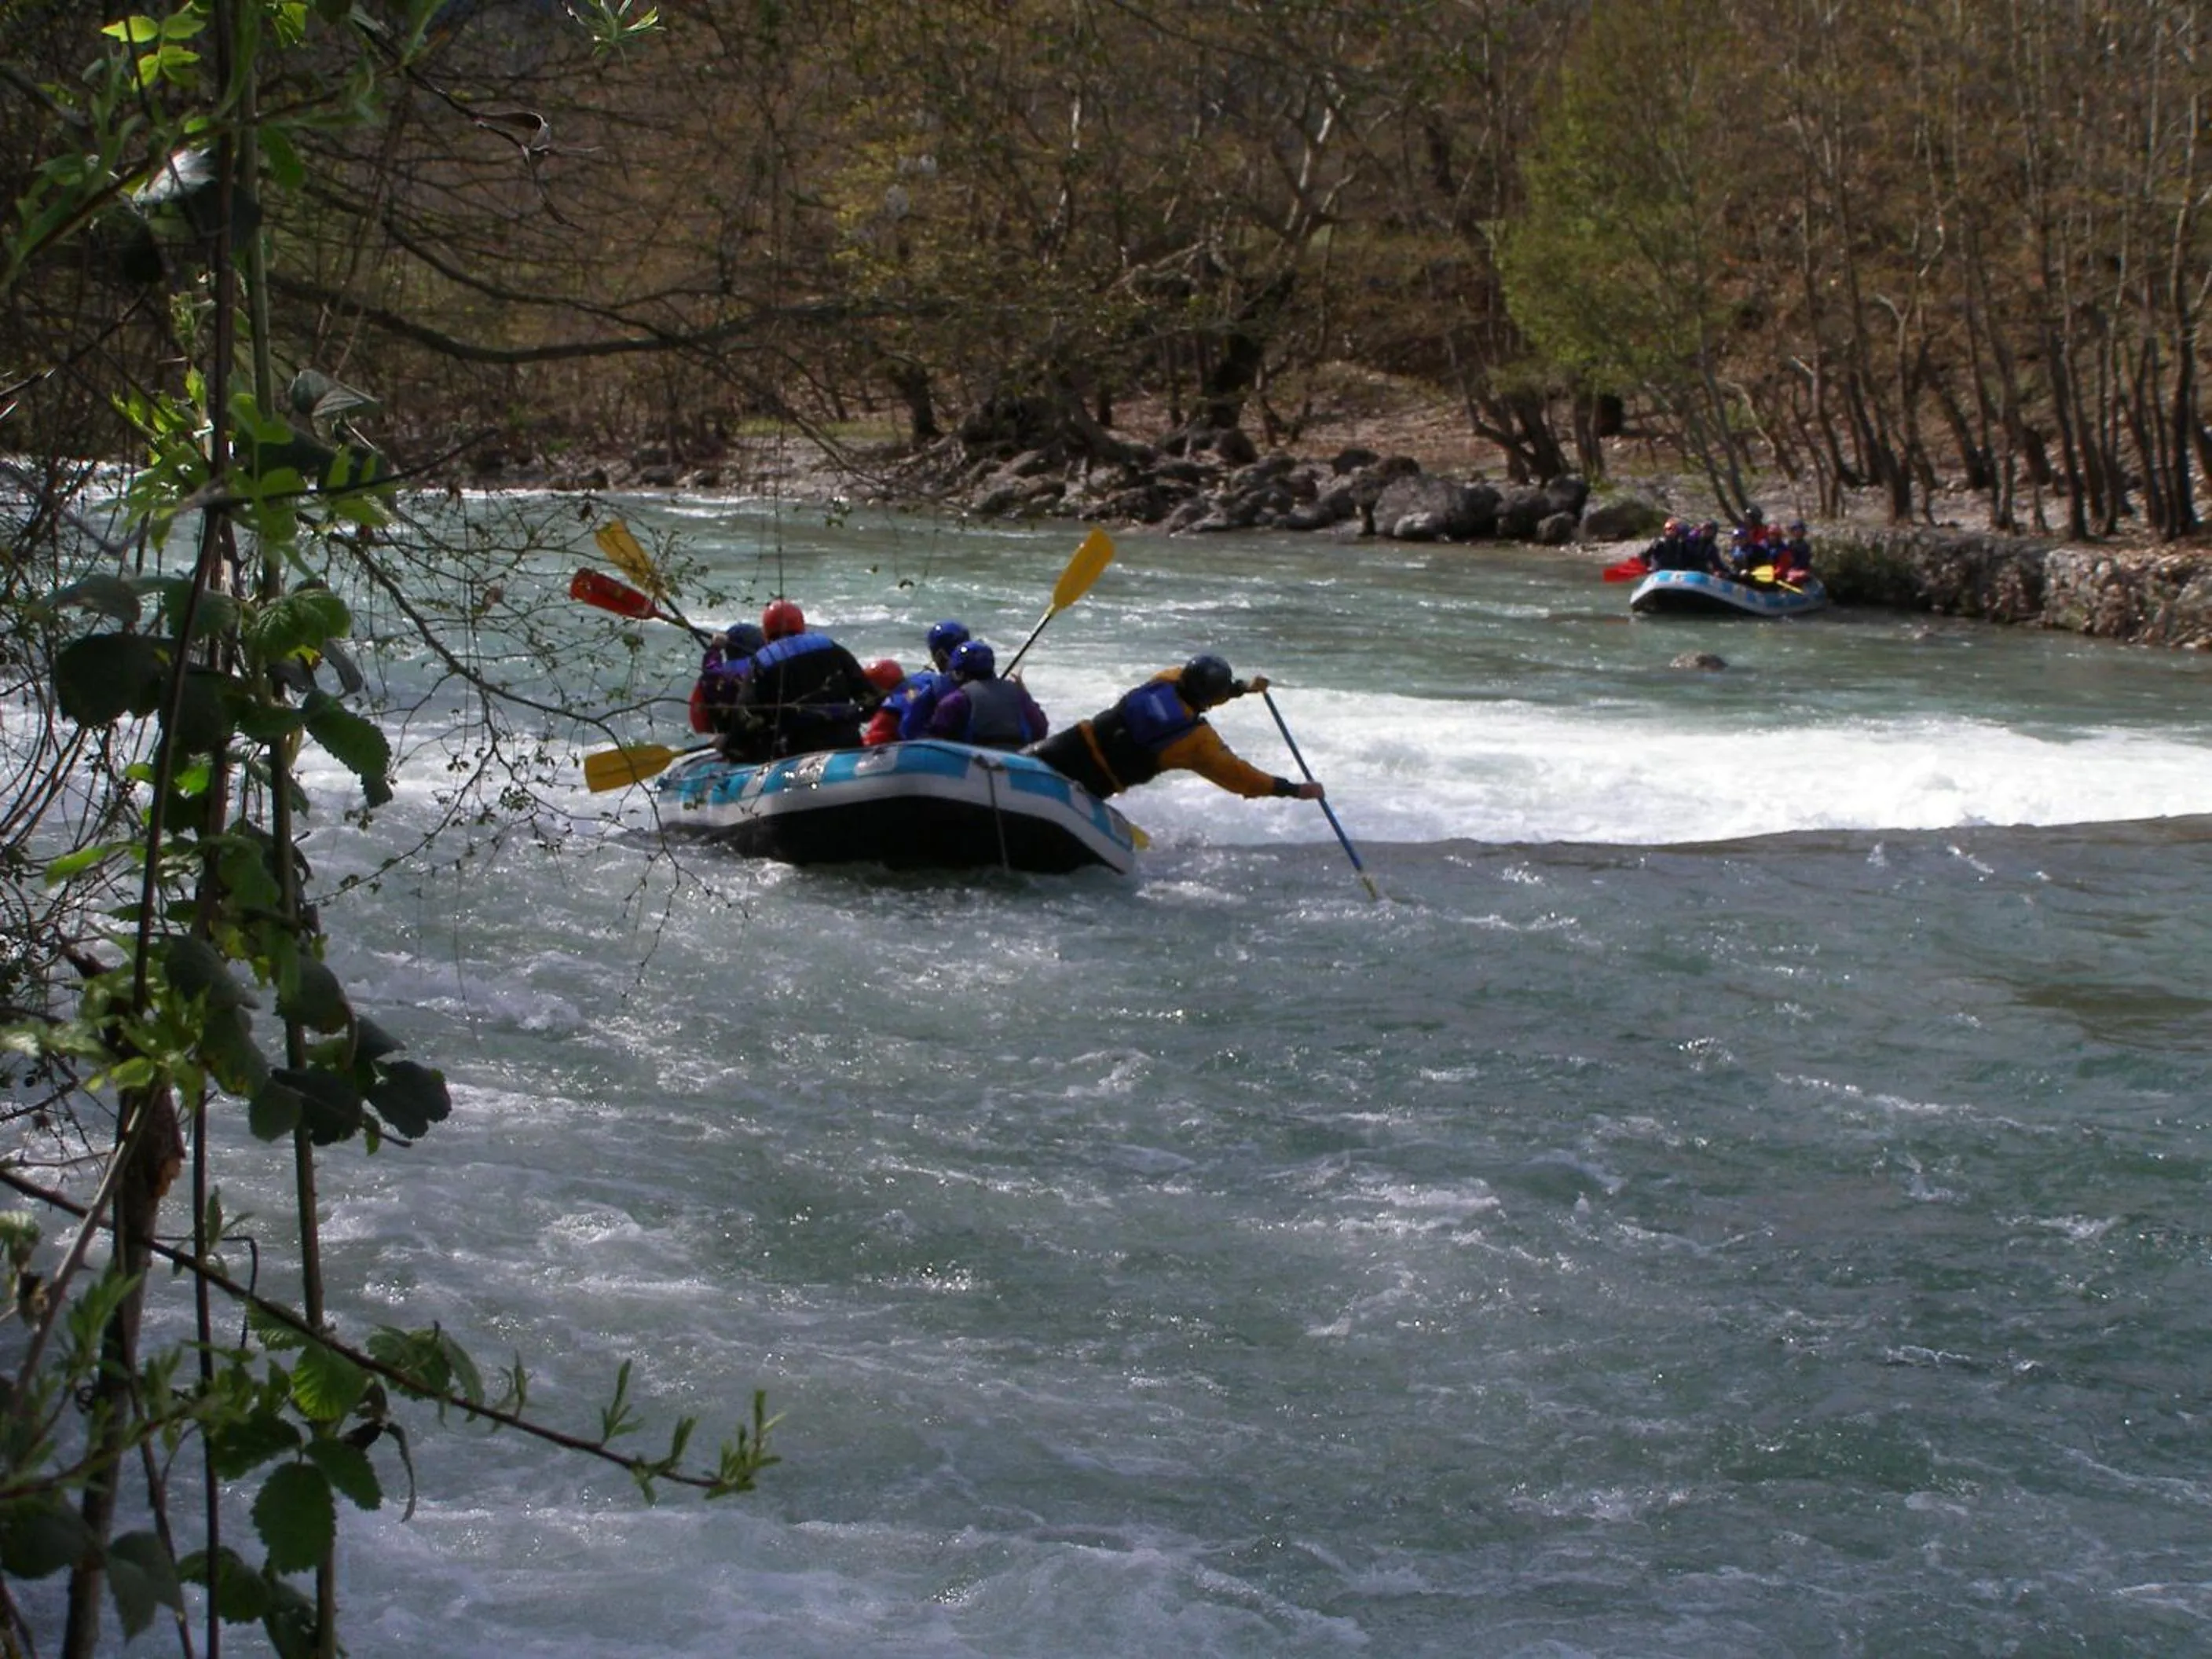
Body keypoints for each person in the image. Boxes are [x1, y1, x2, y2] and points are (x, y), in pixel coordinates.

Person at [1027, 653, 1326, 805]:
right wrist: (1295, 790)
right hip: (1096, 783)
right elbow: (1242, 779)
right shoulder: (1197, 742)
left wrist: (1243, 688)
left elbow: (1196, 695)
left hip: (1066, 747)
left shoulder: (1167, 678)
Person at [727, 599, 881, 759]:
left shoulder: (762, 661)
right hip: (846, 742)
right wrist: (852, 717)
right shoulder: (830, 646)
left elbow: (745, 720)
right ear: (802, 625)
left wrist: (730, 747)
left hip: (796, 752)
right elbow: (870, 698)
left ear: (766, 632)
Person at [925, 640, 1049, 750]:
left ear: (959, 673)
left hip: (972, 765)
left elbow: (936, 743)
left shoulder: (956, 700)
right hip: (1018, 761)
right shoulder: (1018, 693)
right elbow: (1041, 730)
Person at [861, 619, 968, 746]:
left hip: (922, 750)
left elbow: (902, 728)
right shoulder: (981, 685)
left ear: (937, 654)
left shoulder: (913, 688)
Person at [689, 621, 766, 735]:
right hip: (765, 734)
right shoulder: (765, 669)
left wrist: (715, 649)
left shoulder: (724, 675)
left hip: (732, 738)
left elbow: (711, 672)